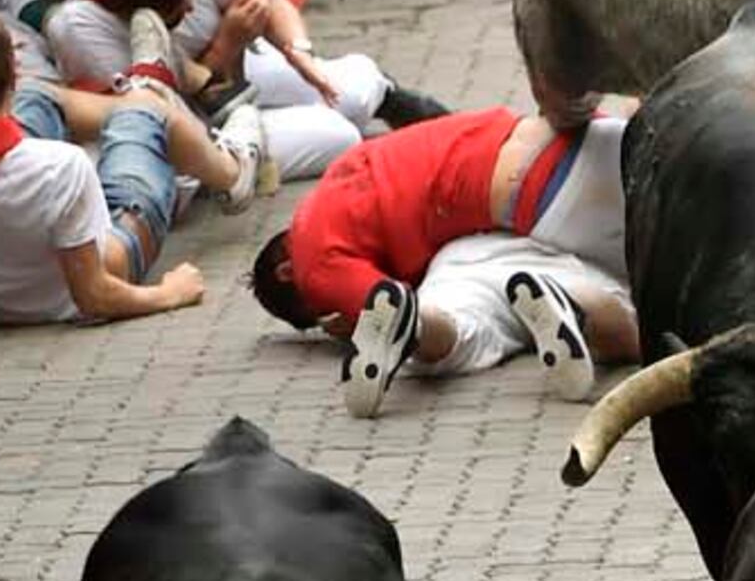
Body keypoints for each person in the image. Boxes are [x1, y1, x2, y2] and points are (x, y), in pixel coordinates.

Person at [242, 97, 633, 414]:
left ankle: (576, 306)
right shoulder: (344, 177)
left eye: (320, 309)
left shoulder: (314, 262)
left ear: (287, 271)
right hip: (567, 145)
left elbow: (386, 304)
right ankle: (569, 300)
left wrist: (362, 320)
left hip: (543, 196)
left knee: (654, 304)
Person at [0, 5, 213, 328]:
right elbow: (94, 298)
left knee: (36, 100)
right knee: (142, 119)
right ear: (13, 74)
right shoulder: (61, 165)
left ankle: (139, 90)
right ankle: (164, 99)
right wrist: (171, 293)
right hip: (91, 277)